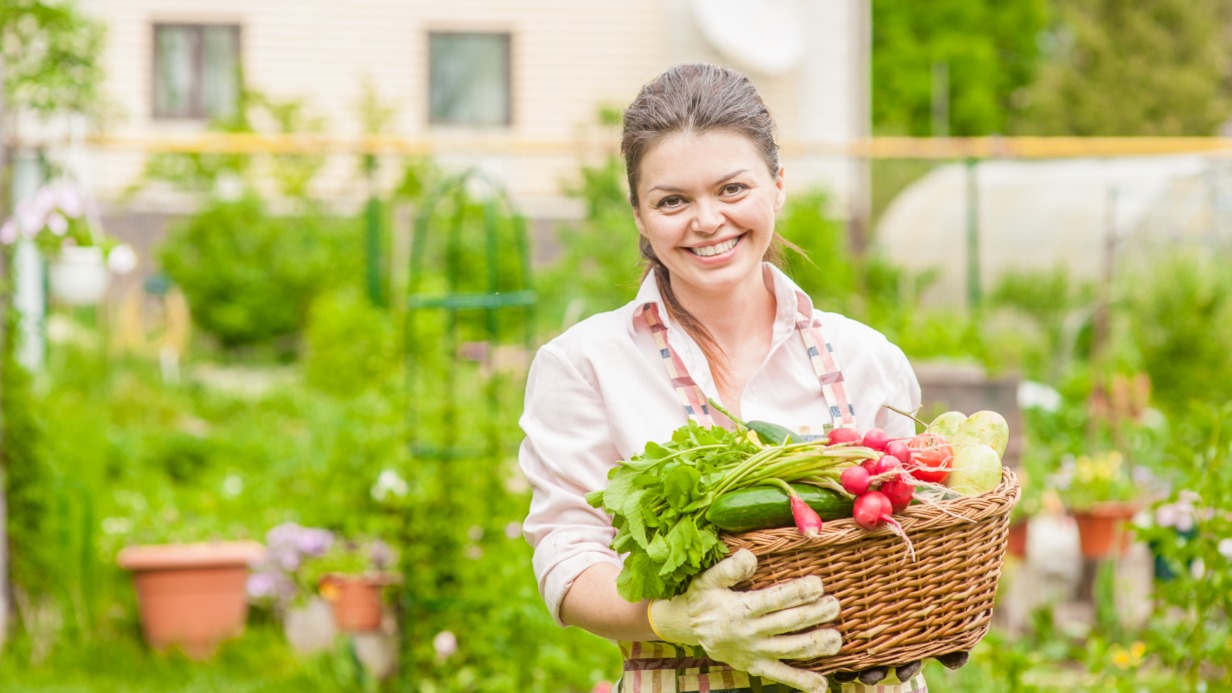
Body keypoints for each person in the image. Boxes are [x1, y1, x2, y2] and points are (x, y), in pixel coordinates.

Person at [519, 63, 927, 693]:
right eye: (672, 201)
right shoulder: (584, 364)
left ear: (778, 186)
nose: (707, 220)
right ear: (639, 215)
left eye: (732, 189)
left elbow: (923, 523)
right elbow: (568, 560)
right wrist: (673, 618)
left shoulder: (866, 357)